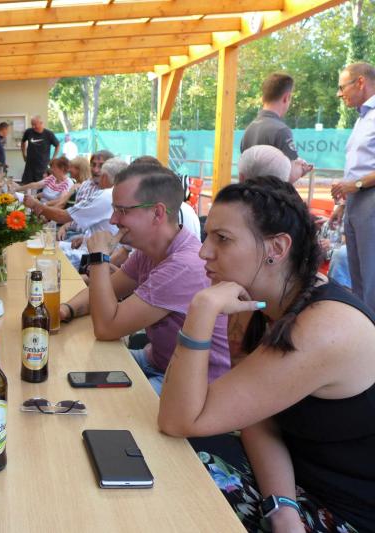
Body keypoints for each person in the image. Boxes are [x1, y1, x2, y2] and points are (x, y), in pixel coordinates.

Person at [158, 176, 375, 533]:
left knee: (172, 469)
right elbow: (258, 418)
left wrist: (201, 311)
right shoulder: (258, 303)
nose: (203, 252)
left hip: (347, 512)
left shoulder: (322, 327)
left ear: (277, 247)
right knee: (164, 454)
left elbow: (176, 419)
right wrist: (281, 504)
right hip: (293, 484)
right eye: (207, 235)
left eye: (222, 239)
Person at [61, 163, 230, 394]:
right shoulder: (148, 252)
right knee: (72, 368)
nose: (113, 220)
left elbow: (106, 328)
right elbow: (108, 291)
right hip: (157, 360)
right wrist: (65, 310)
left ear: (157, 213)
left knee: (99, 401)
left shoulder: (183, 266)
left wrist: (99, 259)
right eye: (114, 209)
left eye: (122, 211)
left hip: (193, 384)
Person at [24, 158, 128, 268]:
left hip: (92, 257)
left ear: (104, 177)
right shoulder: (117, 195)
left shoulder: (106, 195)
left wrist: (36, 205)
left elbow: (62, 216)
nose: (95, 170)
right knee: (45, 247)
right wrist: (85, 238)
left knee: (41, 255)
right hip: (92, 250)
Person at [331, 62, 375, 312]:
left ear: (360, 82)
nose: (339, 94)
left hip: (370, 201)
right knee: (358, 279)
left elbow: (359, 177)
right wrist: (343, 203)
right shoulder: (363, 118)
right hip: (357, 203)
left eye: (342, 87)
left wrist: (355, 185)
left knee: (371, 281)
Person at [240, 73, 313, 182]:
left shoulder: (249, 130)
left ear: (263, 98)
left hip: (248, 191)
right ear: (286, 97)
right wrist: (302, 169)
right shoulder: (281, 131)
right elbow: (288, 176)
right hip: (271, 192)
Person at [21, 115, 59, 185]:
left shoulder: (48, 134)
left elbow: (57, 145)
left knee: (41, 186)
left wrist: (53, 158)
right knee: (27, 185)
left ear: (41, 123)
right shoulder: (28, 132)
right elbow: (23, 142)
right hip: (30, 166)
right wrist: (24, 154)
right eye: (32, 124)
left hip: (42, 166)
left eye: (35, 124)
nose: (33, 127)